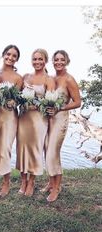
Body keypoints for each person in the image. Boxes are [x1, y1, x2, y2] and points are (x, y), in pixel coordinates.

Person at [43, 50, 81, 202]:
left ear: (67, 61)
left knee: (53, 151)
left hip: (60, 119)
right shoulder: (51, 78)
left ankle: (57, 187)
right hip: (48, 119)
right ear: (52, 61)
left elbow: (77, 102)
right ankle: (51, 182)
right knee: (47, 150)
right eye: (56, 60)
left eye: (62, 60)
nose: (59, 62)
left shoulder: (69, 80)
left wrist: (61, 108)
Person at [16, 48, 55, 197]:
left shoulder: (49, 79)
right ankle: (23, 181)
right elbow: (17, 96)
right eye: (35, 59)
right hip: (23, 118)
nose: (37, 62)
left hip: (39, 120)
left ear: (45, 60)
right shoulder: (25, 77)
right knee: (22, 149)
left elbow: (50, 103)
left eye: (40, 59)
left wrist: (36, 104)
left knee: (35, 150)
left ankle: (31, 181)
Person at [0, 44, 22, 197]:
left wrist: (14, 102)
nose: (10, 57)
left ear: (16, 59)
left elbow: (19, 99)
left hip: (9, 117)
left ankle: (6, 182)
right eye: (8, 54)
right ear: (3, 55)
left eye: (14, 56)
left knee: (5, 149)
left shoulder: (18, 78)